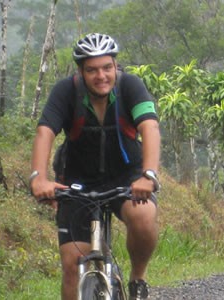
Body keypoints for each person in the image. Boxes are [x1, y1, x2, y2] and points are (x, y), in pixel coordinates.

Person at [29, 33, 161, 300]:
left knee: (144, 216)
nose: (101, 76)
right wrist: (38, 178)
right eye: (92, 70)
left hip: (128, 176)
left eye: (107, 68)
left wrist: (148, 175)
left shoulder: (131, 86)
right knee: (71, 264)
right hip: (77, 180)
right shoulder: (66, 91)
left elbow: (150, 127)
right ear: (81, 71)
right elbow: (45, 132)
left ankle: (138, 278)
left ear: (115, 66)